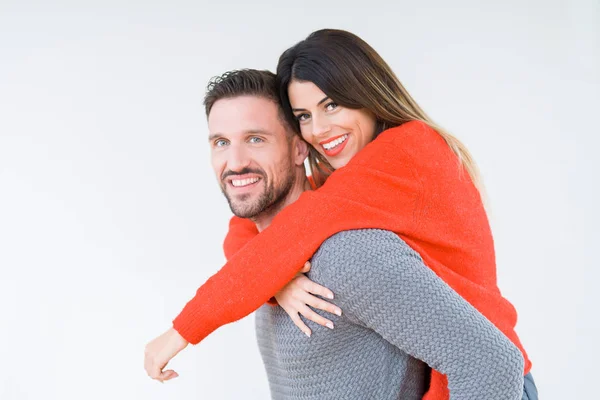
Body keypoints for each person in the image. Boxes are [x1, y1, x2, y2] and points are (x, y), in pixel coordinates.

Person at [144, 29, 537, 399]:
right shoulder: (347, 180)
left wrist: (181, 332)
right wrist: (274, 285)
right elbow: (247, 230)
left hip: (488, 377)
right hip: (463, 367)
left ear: (367, 93)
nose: (318, 130)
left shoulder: (404, 153)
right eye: (303, 116)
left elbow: (295, 229)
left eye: (331, 104)